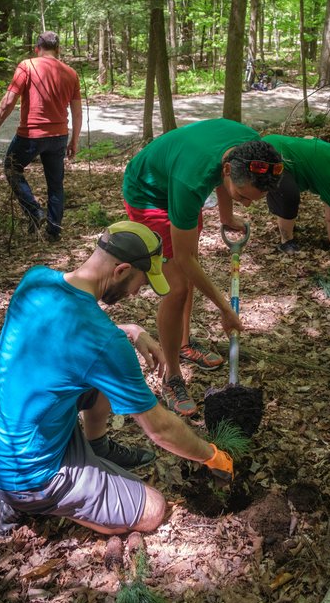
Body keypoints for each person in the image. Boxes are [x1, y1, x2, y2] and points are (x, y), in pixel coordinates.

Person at [0, 220, 233, 538]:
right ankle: (27, 504)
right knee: (153, 510)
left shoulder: (36, 281)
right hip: (30, 474)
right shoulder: (104, 344)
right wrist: (211, 455)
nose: (136, 292)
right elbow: (161, 429)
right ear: (122, 270)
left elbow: (64, 335)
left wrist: (130, 330)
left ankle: (96, 449)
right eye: (140, 282)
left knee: (98, 379)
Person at [122, 119, 284, 416]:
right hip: (149, 193)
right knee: (177, 287)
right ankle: (171, 377)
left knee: (187, 278)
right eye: (243, 196)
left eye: (253, 200)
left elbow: (221, 177)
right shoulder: (191, 181)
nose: (248, 205)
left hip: (178, 181)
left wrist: (226, 216)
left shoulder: (249, 147)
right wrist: (225, 308)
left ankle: (183, 344)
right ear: (229, 171)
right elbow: (185, 259)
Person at [0, 32, 82, 241]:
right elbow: (77, 112)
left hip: (31, 135)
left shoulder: (27, 66)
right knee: (55, 184)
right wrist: (74, 140)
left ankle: (34, 211)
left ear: (37, 49)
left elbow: (8, 101)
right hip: (59, 136)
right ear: (58, 50)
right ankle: (53, 231)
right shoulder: (71, 73)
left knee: (11, 168)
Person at [260, 134, 330, 255]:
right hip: (271, 157)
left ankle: (287, 226)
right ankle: (286, 242)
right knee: (289, 196)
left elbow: (308, 138)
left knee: (287, 189)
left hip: (270, 141)